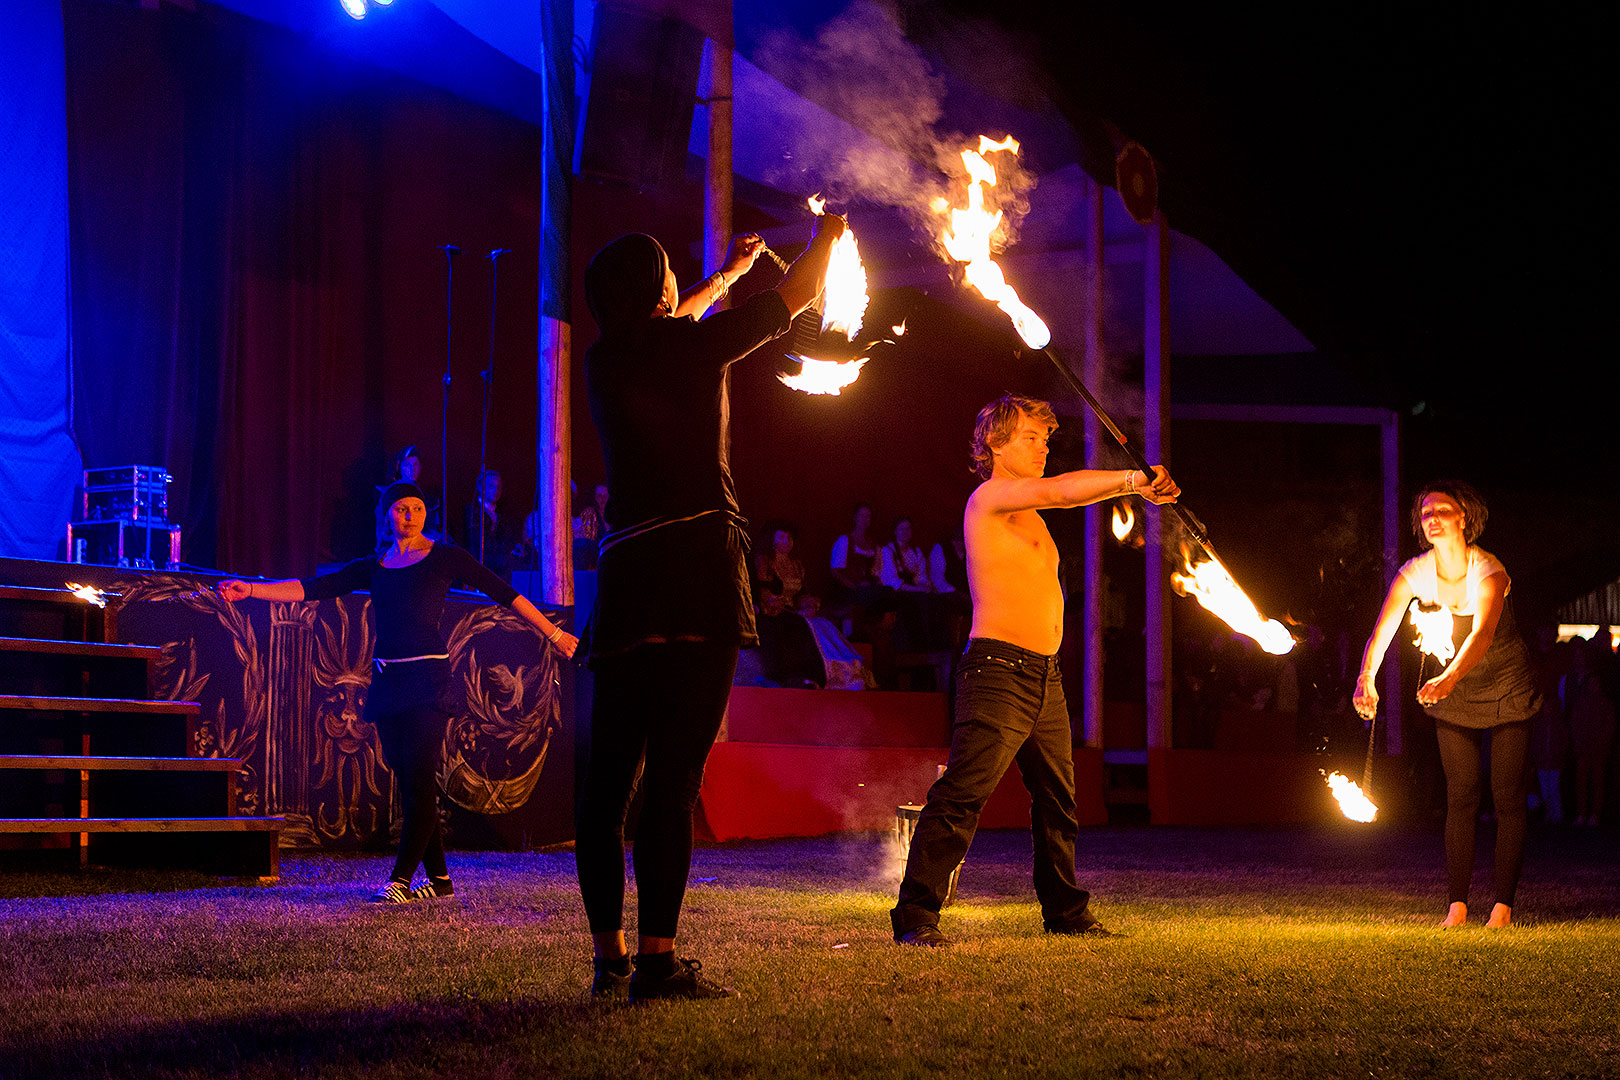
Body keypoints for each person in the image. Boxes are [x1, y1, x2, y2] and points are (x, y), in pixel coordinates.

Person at [577, 214, 843, 1001]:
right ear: (657, 290)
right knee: (671, 782)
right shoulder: (693, 347)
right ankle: (657, 965)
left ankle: (610, 959)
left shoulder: (604, 361)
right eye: (668, 274)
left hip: (626, 584)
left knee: (607, 786)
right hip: (696, 572)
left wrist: (724, 277)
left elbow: (676, 321)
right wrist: (831, 233)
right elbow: (796, 296)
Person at [890, 394, 1178, 946]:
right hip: (999, 669)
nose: (1044, 446)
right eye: (1031, 437)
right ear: (996, 444)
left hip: (1045, 676)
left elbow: (1052, 496)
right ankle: (917, 916)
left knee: (1057, 800)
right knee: (963, 795)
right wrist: (1131, 482)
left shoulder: (1032, 520)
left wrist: (1136, 488)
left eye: (1047, 438)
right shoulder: (990, 498)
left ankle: (1066, 913)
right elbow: (1058, 491)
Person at [220, 482, 577, 903]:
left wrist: (554, 633)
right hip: (388, 683)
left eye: (418, 508)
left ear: (427, 514)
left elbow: (503, 592)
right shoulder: (374, 565)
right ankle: (441, 882)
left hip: (428, 682)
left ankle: (401, 880)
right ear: (387, 515)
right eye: (401, 508)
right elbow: (313, 588)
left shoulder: (445, 557)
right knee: (408, 781)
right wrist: (250, 588)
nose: (410, 515)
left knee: (420, 780)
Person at [1353, 480, 1541, 929]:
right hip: (1451, 689)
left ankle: (1502, 909)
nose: (1432, 518)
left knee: (1507, 796)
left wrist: (1449, 677)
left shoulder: (1488, 568)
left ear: (1464, 517)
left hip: (1505, 683)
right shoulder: (1415, 572)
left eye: (1442, 510)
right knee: (1461, 795)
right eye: (1424, 513)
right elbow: (1383, 630)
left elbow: (1483, 634)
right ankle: (1457, 907)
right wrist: (1366, 678)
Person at [1562, 636, 1615, 826]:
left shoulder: (1605, 705)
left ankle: (1595, 813)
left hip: (1598, 748)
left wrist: (1603, 744)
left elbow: (1608, 727)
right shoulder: (1582, 704)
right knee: (1582, 781)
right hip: (1584, 748)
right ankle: (1582, 813)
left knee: (1597, 782)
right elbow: (1576, 724)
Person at [461, 469, 522, 577]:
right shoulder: (472, 512)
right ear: (481, 488)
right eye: (491, 486)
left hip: (500, 561)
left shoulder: (503, 514)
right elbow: (476, 542)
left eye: (499, 487)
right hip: (480, 561)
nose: (495, 490)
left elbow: (508, 538)